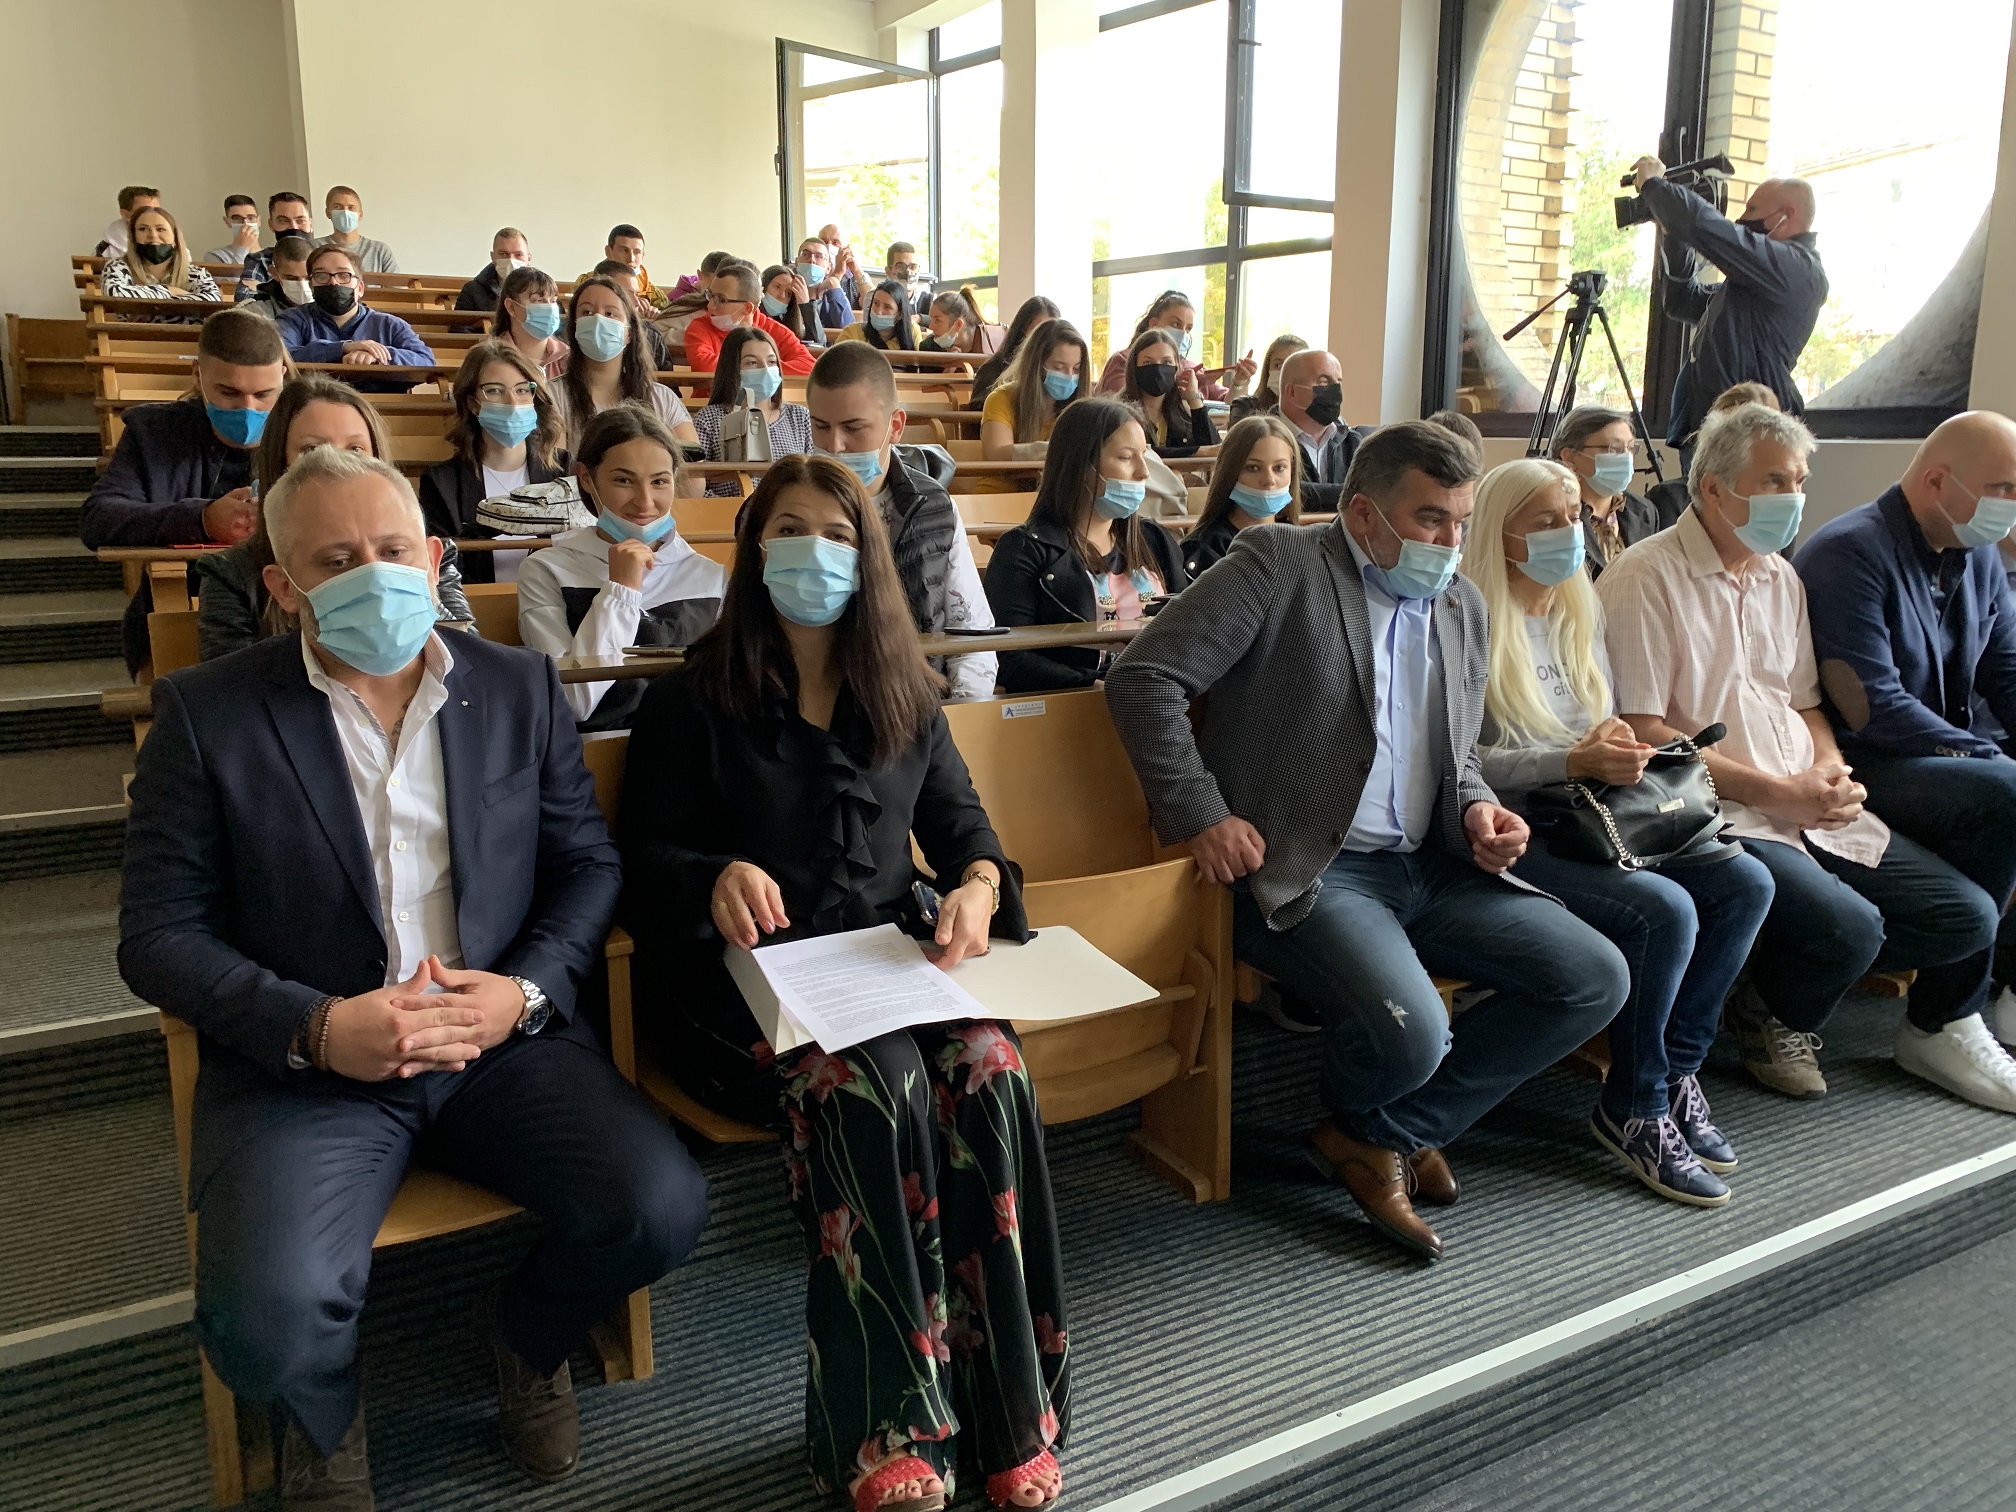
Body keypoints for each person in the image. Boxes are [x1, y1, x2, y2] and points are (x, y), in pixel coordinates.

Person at [120, 444, 708, 1510]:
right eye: (336, 559)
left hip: (500, 1045)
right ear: (283, 585)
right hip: (315, 1066)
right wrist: (315, 1026)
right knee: (261, 1324)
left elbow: (586, 867)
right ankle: (323, 1416)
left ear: (434, 557)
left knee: (658, 1208)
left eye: (393, 549)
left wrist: (523, 992)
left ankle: (526, 1336)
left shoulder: (515, 687)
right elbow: (157, 934)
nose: (374, 574)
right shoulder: (207, 714)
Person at [617, 454, 1068, 1511]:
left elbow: (967, 833)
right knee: (878, 1086)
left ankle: (1009, 1413)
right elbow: (639, 860)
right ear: (753, 549)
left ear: (867, 557)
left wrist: (977, 888)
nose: (811, 552)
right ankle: (887, 1430)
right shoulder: (692, 698)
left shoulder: (903, 693)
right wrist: (713, 874)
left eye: (835, 534)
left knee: (992, 1067)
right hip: (743, 987)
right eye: (789, 530)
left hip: (881, 971)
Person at [1104, 421, 1630, 1261]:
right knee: (1414, 1033)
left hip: (1429, 864)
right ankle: (1389, 1128)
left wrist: (1478, 811)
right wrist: (1201, 812)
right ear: (1362, 515)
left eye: (1461, 521)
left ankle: (1382, 1132)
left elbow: (1458, 759)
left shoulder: (1460, 604)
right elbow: (1143, 678)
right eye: (1430, 519)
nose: (1450, 542)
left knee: (1594, 977)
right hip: (1311, 866)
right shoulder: (1282, 564)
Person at [1599, 403, 1998, 1103]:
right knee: (1851, 930)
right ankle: (1777, 1013)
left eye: (1799, 481)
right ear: (1714, 488)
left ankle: (1763, 988)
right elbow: (1645, 733)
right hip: (1713, 811)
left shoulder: (1778, 577)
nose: (1794, 497)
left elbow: (1807, 703)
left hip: (1802, 797)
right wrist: (1779, 794)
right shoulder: (1647, 576)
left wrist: (1827, 770)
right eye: (1775, 481)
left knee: (1965, 917)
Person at [1461, 459, 1775, 1203]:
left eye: (1572, 518)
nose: (1567, 534)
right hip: (1520, 826)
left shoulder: (1579, 610)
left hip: (1600, 814)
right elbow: (1462, 763)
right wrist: (1570, 757)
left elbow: (1596, 721)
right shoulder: (1470, 619)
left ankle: (1675, 1071)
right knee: (1665, 911)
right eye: (1544, 522)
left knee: (1746, 884)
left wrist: (1614, 745)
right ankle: (1635, 1105)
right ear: (1500, 534)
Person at [1792, 410, 2016, 1106]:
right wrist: (1986, 756)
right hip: (1861, 764)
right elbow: (1874, 708)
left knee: (2002, 784)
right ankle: (1942, 1022)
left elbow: (2006, 671)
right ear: (1937, 481)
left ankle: (1996, 992)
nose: (2012, 507)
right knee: (2006, 790)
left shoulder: (1977, 553)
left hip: (1939, 755)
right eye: (2003, 489)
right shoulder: (1848, 552)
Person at [196, 376, 474, 659]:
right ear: (279, 463)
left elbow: (465, 661)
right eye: (312, 451)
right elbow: (233, 680)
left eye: (355, 450)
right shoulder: (231, 574)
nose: (337, 463)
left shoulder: (427, 558)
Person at [82, 309, 288, 671]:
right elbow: (99, 518)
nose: (248, 409)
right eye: (229, 392)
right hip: (183, 599)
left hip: (284, 609)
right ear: (197, 375)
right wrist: (202, 520)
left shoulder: (302, 430)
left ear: (283, 377)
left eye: (264, 394)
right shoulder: (155, 432)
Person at [806, 341, 999, 701]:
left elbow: (972, 633)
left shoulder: (933, 508)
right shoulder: (782, 507)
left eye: (853, 428)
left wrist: (956, 717)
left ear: (895, 426)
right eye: (820, 426)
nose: (834, 446)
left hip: (915, 702)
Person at [516, 405, 725, 730]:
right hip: (591, 751)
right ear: (586, 478)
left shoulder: (711, 577)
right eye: (624, 480)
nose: (645, 501)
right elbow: (574, 700)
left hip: (691, 749)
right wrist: (620, 591)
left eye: (659, 481)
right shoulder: (546, 570)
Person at [984, 396, 1187, 693]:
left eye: (1144, 455)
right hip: (1076, 704)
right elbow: (1010, 658)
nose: (1144, 472)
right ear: (1081, 464)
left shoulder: (1154, 539)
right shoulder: (1024, 550)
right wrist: (1095, 686)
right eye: (1126, 457)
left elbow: (1190, 630)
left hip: (1162, 695)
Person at [1628, 156, 1826, 460]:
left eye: (1752, 210)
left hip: (1749, 434)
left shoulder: (1799, 270)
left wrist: (1657, 188)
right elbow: (1682, 301)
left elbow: (1712, 230)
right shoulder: (1750, 287)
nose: (1742, 219)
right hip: (1715, 429)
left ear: (1787, 215)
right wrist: (1673, 234)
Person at [419, 341, 573, 584]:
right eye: (494, 390)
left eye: (522, 390)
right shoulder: (441, 482)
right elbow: (446, 570)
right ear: (472, 403)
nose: (512, 402)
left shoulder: (564, 469)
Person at [550, 275, 698, 453]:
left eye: (610, 313)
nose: (598, 320)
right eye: (587, 312)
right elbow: (554, 464)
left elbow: (693, 467)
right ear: (574, 328)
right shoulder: (553, 396)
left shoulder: (662, 399)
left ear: (629, 333)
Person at [277, 245, 435, 386]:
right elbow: (280, 358)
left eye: (343, 275)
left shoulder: (390, 325)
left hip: (379, 406)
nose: (333, 282)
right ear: (311, 285)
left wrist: (377, 356)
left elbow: (426, 361)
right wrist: (342, 348)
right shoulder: (292, 320)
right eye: (321, 275)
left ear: (360, 288)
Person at [691, 327, 813, 496]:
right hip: (730, 510)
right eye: (752, 363)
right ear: (732, 369)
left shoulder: (800, 416)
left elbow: (814, 477)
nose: (765, 369)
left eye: (771, 362)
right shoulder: (708, 419)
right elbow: (694, 487)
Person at [1181, 414, 1304, 579]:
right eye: (1253, 468)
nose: (1269, 480)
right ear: (1230, 473)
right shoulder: (1206, 549)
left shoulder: (1300, 542)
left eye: (1279, 468)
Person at [1552, 405, 1659, 577]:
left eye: (1631, 448)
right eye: (1614, 449)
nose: (1626, 457)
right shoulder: (1553, 516)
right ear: (1570, 456)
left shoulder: (1644, 511)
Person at [1095, 289, 1253, 401]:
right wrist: (1182, 383)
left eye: (1188, 328)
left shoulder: (1192, 368)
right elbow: (1124, 404)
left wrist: (1239, 381)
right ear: (1154, 325)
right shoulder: (1123, 360)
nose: (1183, 333)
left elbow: (1228, 404)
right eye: (1176, 324)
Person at [980, 318, 1092, 463]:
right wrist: (1051, 450)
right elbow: (996, 453)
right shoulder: (1001, 398)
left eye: (1076, 368)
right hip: (1007, 479)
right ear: (1036, 365)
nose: (1069, 376)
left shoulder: (1084, 407)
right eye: (1058, 367)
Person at [682, 261, 816, 376]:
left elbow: (808, 366)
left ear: (747, 308)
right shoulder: (700, 326)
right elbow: (705, 366)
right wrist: (763, 366)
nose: (710, 306)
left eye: (721, 300)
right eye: (710, 296)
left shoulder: (772, 328)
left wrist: (756, 367)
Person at [1274, 349, 1357, 510]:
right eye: (1324, 382)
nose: (1335, 390)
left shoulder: (1352, 442)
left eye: (1338, 382)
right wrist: (1349, 494)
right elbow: (1280, 490)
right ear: (1292, 392)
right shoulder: (1263, 439)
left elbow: (1373, 493)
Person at [1118, 327, 1218, 458]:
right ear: (1134, 367)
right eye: (1148, 362)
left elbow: (1213, 449)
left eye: (1166, 362)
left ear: (1177, 367)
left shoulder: (1182, 411)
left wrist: (1194, 398)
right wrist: (1195, 452)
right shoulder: (1119, 412)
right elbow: (1139, 452)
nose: (1158, 369)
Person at [102, 206, 222, 309]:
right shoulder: (118, 267)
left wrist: (149, 304)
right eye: (143, 229)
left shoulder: (195, 273)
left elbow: (213, 301)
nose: (153, 235)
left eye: (160, 229)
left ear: (175, 238)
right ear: (133, 237)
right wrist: (171, 291)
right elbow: (114, 294)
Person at [970, 296, 1060, 411]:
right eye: (1037, 331)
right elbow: (977, 414)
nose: (1043, 339)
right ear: (1023, 330)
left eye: (1050, 332)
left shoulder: (1060, 372)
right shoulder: (994, 369)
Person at [233, 192, 317, 302]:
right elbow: (245, 298)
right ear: (271, 225)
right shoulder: (260, 260)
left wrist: (265, 290)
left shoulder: (327, 258)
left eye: (300, 221)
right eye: (283, 221)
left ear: (310, 224)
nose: (293, 226)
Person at [491, 264, 571, 378]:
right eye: (538, 300)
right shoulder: (491, 358)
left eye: (553, 301)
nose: (549, 308)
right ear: (511, 307)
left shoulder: (568, 358)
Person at [591, 258, 671, 368]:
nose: (636, 302)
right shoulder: (580, 330)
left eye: (637, 295)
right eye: (627, 294)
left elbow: (664, 376)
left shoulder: (649, 334)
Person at [580, 224, 670, 317]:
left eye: (637, 252)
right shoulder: (588, 283)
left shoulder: (652, 293)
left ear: (643, 256)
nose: (631, 259)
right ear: (608, 251)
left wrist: (655, 316)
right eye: (625, 250)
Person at [314, 184, 398, 272]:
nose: (345, 212)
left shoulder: (380, 251)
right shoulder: (314, 248)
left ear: (360, 215)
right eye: (337, 207)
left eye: (351, 208)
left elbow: (395, 280)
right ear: (328, 213)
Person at [1228, 334, 1308, 425]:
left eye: (1294, 366)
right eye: (1278, 365)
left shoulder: (1314, 414)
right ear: (1268, 369)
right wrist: (1240, 381)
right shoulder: (1246, 407)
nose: (1284, 372)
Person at [834, 280, 921, 361]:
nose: (878, 311)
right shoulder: (852, 332)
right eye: (876, 303)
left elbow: (919, 366)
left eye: (887, 307)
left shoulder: (912, 331)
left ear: (900, 314)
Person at [456, 227, 532, 313]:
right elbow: (461, 322)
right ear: (493, 257)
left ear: (529, 259)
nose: (511, 260)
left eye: (518, 255)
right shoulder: (472, 291)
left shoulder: (541, 291)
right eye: (503, 254)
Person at [241, 234, 316, 322]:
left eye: (308, 277)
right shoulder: (254, 313)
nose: (302, 285)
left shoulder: (329, 309)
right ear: (274, 273)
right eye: (291, 278)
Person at [792, 236, 855, 333]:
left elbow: (848, 330)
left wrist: (834, 285)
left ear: (828, 268)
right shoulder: (786, 292)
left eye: (819, 256)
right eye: (805, 254)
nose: (812, 260)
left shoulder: (833, 295)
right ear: (796, 263)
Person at [761, 262, 828, 351]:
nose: (782, 296)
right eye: (777, 287)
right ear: (763, 287)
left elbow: (818, 345)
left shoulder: (786, 324)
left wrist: (805, 305)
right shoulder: (751, 318)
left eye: (788, 293)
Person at [922, 287, 993, 357]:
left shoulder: (991, 342)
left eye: (937, 320)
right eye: (931, 319)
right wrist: (949, 362)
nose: (930, 327)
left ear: (959, 324)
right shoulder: (929, 347)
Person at [200, 194, 263, 267]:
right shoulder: (215, 256)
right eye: (237, 218)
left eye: (251, 217)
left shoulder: (271, 255)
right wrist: (243, 248)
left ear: (259, 221)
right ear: (227, 222)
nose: (245, 223)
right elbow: (236, 275)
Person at [99, 184, 159, 258]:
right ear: (124, 214)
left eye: (157, 210)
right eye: (145, 210)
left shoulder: (167, 241)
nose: (154, 215)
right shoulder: (106, 251)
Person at [881, 239, 932, 316]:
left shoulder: (927, 301)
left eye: (913, 267)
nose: (908, 272)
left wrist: (921, 318)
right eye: (900, 267)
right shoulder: (877, 299)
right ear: (888, 271)